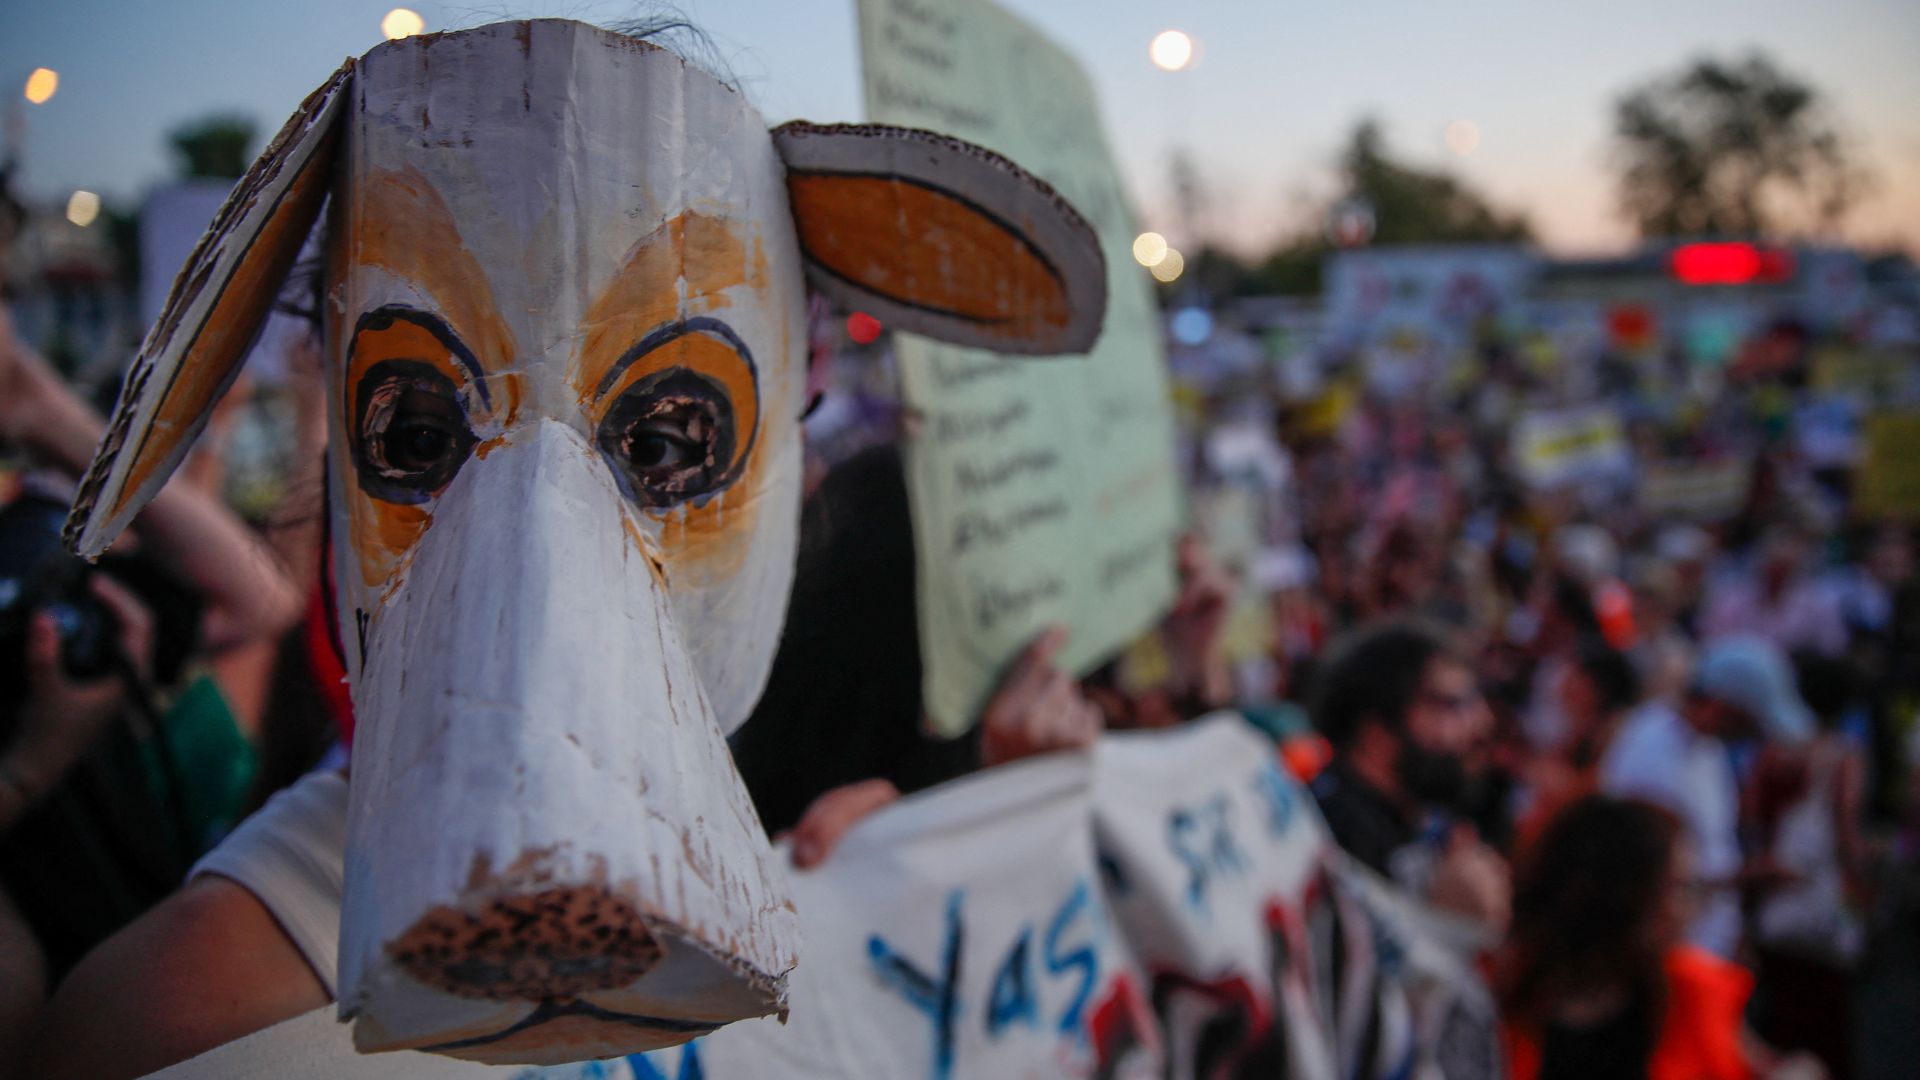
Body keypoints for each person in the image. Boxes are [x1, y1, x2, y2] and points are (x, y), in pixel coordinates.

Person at [1497, 794, 1817, 1080]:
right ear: (1619, 893)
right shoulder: (1502, 995)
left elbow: (1782, 1069)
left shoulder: (1694, 994)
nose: (1688, 909)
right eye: (1678, 887)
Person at [1601, 635, 1812, 960]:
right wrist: (1749, 877)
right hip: (1671, 955)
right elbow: (1648, 874)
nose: (1751, 736)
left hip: (1705, 945)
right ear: (1721, 707)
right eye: (1748, 723)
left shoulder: (1709, 749)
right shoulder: (1651, 751)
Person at [1307, 620, 1510, 931]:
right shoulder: (1325, 836)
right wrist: (1442, 921)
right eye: (1454, 704)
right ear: (1377, 733)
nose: (1483, 722)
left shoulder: (1424, 815)